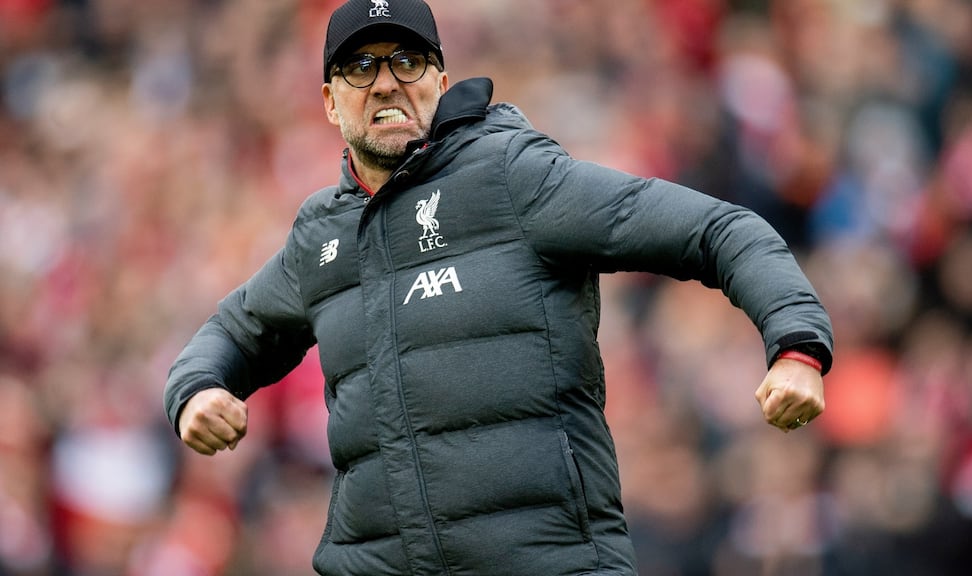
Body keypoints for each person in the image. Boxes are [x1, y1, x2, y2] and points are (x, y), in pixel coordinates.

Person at [163, 0, 834, 574]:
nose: (386, 83)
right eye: (360, 66)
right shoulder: (320, 235)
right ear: (330, 100)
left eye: (408, 61)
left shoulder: (516, 179)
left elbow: (718, 228)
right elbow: (228, 333)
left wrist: (796, 344)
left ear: (440, 78)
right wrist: (196, 391)